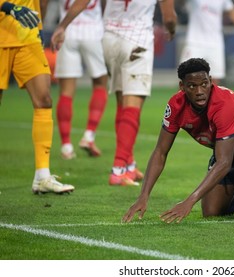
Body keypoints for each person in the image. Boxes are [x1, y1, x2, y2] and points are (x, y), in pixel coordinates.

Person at [122, 58, 234, 224]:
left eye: (204, 84)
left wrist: (189, 201)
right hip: (229, 151)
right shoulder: (175, 106)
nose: (200, 91)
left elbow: (224, 162)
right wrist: (143, 196)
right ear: (182, 87)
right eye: (192, 86)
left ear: (211, 81)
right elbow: (160, 152)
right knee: (211, 211)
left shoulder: (224, 105)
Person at [51, 0, 177, 186]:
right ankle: (118, 169)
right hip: (137, 41)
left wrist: (62, 26)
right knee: (132, 109)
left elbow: (82, 1)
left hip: (109, 40)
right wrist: (171, 29)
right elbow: (169, 17)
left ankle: (129, 164)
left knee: (122, 104)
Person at [0, 0, 75, 194]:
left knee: (44, 100)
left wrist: (39, 27)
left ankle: (42, 175)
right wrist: (8, 7)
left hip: (27, 36)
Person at [54, 0, 108, 160]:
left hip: (67, 34)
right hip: (92, 32)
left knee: (66, 92)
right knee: (100, 84)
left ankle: (66, 147)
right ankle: (89, 136)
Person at [179, 0, 234, 85]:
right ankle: (182, 99)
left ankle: (212, 99)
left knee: (215, 80)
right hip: (195, 43)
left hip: (215, 44)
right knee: (187, 77)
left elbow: (233, 12)